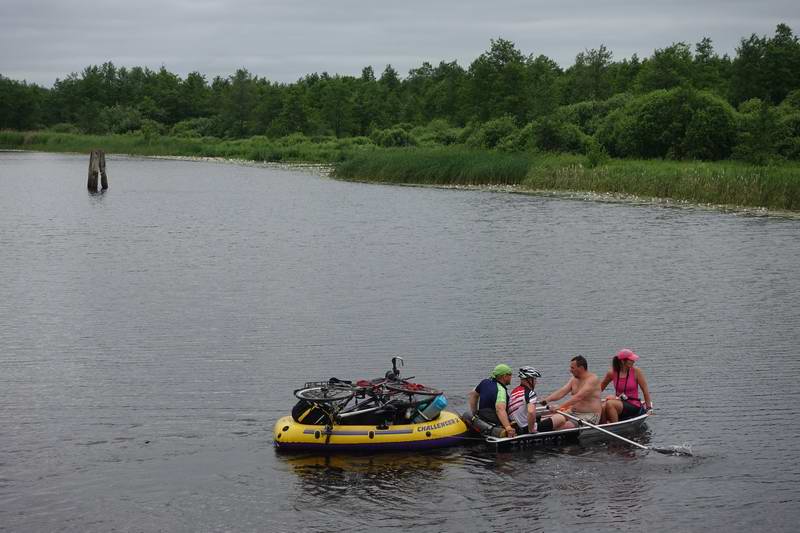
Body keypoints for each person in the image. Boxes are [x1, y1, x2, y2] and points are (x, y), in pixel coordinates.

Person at [539, 355, 602, 431]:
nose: (570, 370)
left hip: (589, 415)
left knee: (566, 426)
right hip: (572, 412)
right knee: (556, 419)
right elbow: (562, 392)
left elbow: (579, 397)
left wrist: (561, 406)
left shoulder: (593, 379)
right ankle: (535, 429)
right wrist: (546, 400)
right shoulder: (574, 379)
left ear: (581, 368)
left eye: (572, 368)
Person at [600, 349, 653, 423]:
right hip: (619, 402)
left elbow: (645, 390)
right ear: (623, 361)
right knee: (602, 406)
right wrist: (591, 399)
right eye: (631, 360)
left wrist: (649, 408)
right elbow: (600, 388)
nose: (633, 361)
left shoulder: (636, 371)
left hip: (633, 404)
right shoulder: (611, 373)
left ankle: (615, 427)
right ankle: (604, 427)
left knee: (610, 404)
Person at [468, 363, 516, 437]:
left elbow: (473, 395)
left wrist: (474, 413)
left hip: (482, 417)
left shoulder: (484, 382)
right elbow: (500, 409)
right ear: (504, 376)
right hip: (493, 421)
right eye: (510, 374)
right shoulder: (500, 390)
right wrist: (508, 427)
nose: (511, 377)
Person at [508, 366, 541, 434]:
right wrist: (531, 430)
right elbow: (531, 412)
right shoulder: (530, 393)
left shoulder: (514, 391)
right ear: (529, 379)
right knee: (560, 419)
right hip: (526, 428)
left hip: (516, 427)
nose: (536, 382)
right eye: (534, 379)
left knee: (539, 416)